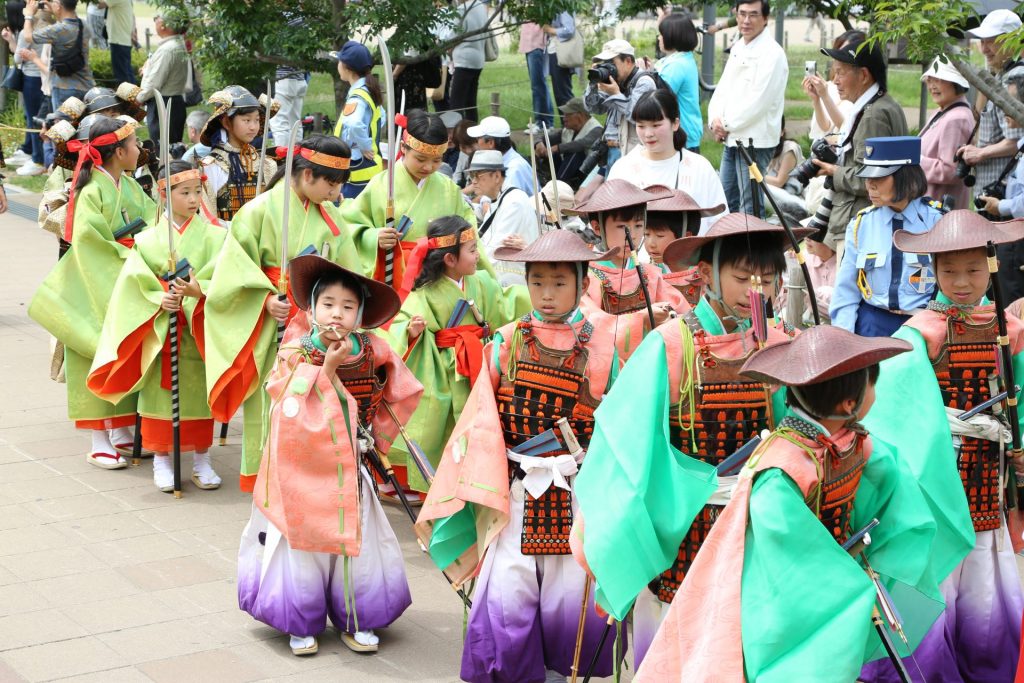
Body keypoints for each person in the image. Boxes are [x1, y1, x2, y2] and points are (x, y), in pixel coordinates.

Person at [633, 324, 970, 681]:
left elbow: (896, 502)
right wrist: (846, 578)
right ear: (849, 402)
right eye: (873, 384)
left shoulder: (853, 443)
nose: (876, 392)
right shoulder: (782, 469)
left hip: (837, 586)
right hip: (782, 604)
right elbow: (789, 559)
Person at [575, 214, 805, 669]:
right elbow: (627, 442)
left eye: (766, 278)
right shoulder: (671, 344)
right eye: (741, 277)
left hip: (753, 521)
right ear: (705, 275)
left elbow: (793, 432)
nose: (754, 290)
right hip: (682, 524)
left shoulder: (779, 343)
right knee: (673, 641)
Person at [415, 229, 624, 683]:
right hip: (517, 492)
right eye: (537, 282)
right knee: (509, 587)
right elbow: (481, 421)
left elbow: (624, 423)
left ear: (583, 282)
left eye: (559, 283)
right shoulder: (507, 341)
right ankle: (509, 671)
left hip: (579, 491)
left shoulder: (608, 343)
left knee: (574, 589)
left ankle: (568, 667)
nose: (547, 295)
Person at [859, 210, 1024, 682]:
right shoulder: (918, 333)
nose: (962, 282)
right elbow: (891, 407)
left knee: (985, 575)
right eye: (949, 271)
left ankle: (988, 664)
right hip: (936, 475)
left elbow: (1021, 399)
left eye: (973, 270)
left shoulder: (1008, 332)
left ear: (991, 267)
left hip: (990, 474)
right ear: (932, 271)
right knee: (938, 571)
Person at [237, 254, 420, 656]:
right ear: (313, 308)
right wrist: (325, 371)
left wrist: (377, 441)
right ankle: (300, 620)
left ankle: (358, 617)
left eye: (348, 306)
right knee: (302, 542)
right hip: (302, 467)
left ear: (361, 314)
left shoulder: (375, 348)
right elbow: (283, 400)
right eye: (329, 304)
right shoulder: (296, 351)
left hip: (354, 463)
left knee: (358, 542)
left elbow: (402, 393)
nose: (337, 314)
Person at [203, 135, 361, 493]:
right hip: (273, 315)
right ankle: (266, 476)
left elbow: (349, 270)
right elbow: (234, 268)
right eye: (331, 184)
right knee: (271, 394)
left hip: (316, 318)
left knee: (316, 391)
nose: (336, 194)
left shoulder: (332, 217)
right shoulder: (258, 211)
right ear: (306, 176)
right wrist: (263, 300)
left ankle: (310, 474)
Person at [86, 160, 225, 492]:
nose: (193, 200)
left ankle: (201, 459)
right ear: (164, 194)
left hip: (198, 328)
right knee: (161, 396)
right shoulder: (148, 240)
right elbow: (132, 284)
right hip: (161, 331)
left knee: (198, 394)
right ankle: (162, 459)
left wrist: (199, 291)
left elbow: (222, 275)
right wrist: (157, 298)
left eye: (197, 192)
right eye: (185, 193)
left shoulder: (216, 237)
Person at [28, 115, 157, 470]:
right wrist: (130, 257)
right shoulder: (90, 190)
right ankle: (98, 437)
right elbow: (88, 241)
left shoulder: (128, 185)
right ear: (118, 152)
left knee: (126, 352)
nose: (140, 150)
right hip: (93, 280)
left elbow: (153, 220)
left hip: (125, 271)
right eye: (134, 145)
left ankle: (121, 428)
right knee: (94, 352)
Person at [387, 216, 526, 496]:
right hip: (442, 365)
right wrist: (411, 331)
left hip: (479, 360)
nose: (478, 256)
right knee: (439, 423)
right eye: (472, 250)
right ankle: (439, 486)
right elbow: (399, 324)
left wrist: (534, 291)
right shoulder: (424, 293)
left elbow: (505, 307)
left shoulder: (483, 282)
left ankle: (474, 481)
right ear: (450, 259)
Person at [341, 109, 490, 288]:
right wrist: (374, 237)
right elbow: (350, 225)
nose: (428, 167)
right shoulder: (381, 185)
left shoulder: (447, 187)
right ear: (403, 148)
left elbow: (468, 229)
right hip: (395, 273)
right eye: (420, 159)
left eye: (436, 160)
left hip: (439, 275)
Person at [831, 137, 943, 336]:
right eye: (867, 177)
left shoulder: (938, 223)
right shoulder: (861, 225)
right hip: (872, 324)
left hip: (923, 326)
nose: (870, 185)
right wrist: (844, 339)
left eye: (879, 178)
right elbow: (846, 291)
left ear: (906, 178)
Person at [573, 180, 688, 360]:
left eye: (639, 225)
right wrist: (640, 319)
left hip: (649, 361)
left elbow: (682, 311)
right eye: (622, 227)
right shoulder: (588, 277)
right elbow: (591, 322)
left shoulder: (651, 273)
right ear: (597, 228)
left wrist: (669, 315)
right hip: (606, 366)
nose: (632, 234)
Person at [817, 37, 908, 258]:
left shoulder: (873, 115)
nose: (835, 80)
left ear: (864, 75)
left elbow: (870, 179)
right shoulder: (882, 105)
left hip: (861, 226)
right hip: (867, 223)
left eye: (840, 72)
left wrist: (833, 171)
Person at [707, 0, 788, 217]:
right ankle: (731, 250)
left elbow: (758, 101)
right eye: (742, 14)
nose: (746, 20)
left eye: (753, 15)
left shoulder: (772, 54)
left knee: (749, 207)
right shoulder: (739, 47)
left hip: (754, 140)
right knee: (725, 201)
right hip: (731, 137)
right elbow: (722, 89)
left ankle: (753, 251)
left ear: (765, 18)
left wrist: (725, 124)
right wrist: (714, 120)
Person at [607, 89, 727, 233]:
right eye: (641, 126)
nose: (648, 134)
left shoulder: (699, 168)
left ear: (675, 123)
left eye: (656, 125)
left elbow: (720, 223)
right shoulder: (623, 168)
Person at [958, 10, 1024, 198]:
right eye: (982, 41)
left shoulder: (1015, 80)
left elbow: (1018, 142)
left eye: (992, 41)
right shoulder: (1001, 76)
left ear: (1013, 41)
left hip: (1005, 194)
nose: (984, 49)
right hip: (993, 191)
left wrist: (981, 153)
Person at [198, 85, 278, 223]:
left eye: (257, 120)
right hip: (226, 240)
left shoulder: (267, 164)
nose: (253, 127)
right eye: (247, 120)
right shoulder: (211, 165)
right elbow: (208, 219)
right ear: (227, 122)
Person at [976, 75, 1024, 302]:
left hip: (1018, 244)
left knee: (1012, 312)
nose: (1003, 107)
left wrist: (1001, 206)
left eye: (1010, 101)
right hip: (1013, 240)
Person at [466, 149, 539, 286]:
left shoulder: (514, 201)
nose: (473, 182)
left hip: (517, 280)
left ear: (497, 176)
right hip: (504, 274)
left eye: (478, 175)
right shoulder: (501, 198)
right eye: (471, 175)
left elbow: (495, 248)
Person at [643, 186, 725, 306]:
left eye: (660, 236)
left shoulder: (706, 273)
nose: (651, 243)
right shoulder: (645, 273)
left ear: (686, 237)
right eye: (646, 234)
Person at [583, 38, 657, 171]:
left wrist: (615, 94)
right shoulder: (616, 82)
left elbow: (637, 115)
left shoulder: (644, 82)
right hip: (611, 150)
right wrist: (593, 84)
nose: (607, 68)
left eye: (611, 63)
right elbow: (594, 108)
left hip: (631, 153)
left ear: (628, 61)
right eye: (604, 63)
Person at [919, 57, 975, 212]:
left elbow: (951, 171)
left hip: (940, 211)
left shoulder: (956, 118)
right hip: (931, 207)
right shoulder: (943, 111)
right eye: (930, 80)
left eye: (939, 80)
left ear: (955, 83)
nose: (932, 86)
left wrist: (915, 160)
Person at [331, 41, 384, 198]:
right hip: (368, 168)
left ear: (347, 67)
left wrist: (364, 145)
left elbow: (353, 123)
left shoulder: (358, 96)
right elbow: (382, 117)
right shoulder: (368, 90)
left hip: (358, 169)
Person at [22, 0, 95, 110]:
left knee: (63, 126)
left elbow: (28, 36)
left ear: (59, 6)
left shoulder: (58, 30)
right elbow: (67, 22)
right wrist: (56, 11)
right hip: (86, 85)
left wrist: (28, 15)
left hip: (64, 88)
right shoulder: (83, 25)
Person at [137, 11, 189, 148]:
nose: (155, 21)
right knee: (172, 147)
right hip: (175, 103)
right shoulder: (178, 44)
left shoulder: (167, 50)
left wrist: (138, 99)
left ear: (164, 25)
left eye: (157, 19)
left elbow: (153, 84)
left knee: (162, 150)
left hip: (163, 105)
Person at [655, 13, 702, 154]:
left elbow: (657, 95)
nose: (659, 38)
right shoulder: (679, 59)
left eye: (662, 34)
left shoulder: (677, 65)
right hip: (684, 133)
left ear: (671, 36)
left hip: (682, 136)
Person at [534, 97, 604, 188]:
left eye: (567, 115)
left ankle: (559, 185)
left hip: (588, 175)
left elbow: (580, 144)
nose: (564, 118)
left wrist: (556, 148)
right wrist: (539, 143)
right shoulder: (568, 130)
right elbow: (543, 138)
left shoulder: (596, 129)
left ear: (580, 115)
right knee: (554, 151)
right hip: (571, 172)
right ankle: (549, 181)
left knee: (575, 152)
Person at [466, 115, 533, 192]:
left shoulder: (512, 171)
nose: (477, 143)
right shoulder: (506, 162)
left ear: (491, 143)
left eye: (478, 139)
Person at [447, 0, 487, 123]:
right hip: (478, 58)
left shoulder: (462, 10)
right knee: (470, 102)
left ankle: (457, 137)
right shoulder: (480, 6)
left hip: (464, 59)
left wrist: (447, 49)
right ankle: (472, 132)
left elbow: (453, 37)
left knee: (456, 104)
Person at [519, 21, 553, 129]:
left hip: (536, 44)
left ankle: (542, 122)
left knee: (538, 85)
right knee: (540, 84)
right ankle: (546, 121)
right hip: (530, 44)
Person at [544, 12, 577, 121]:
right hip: (555, 51)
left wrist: (551, 30)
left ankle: (572, 126)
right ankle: (567, 126)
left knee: (563, 95)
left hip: (561, 52)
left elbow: (569, 29)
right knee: (559, 94)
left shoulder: (563, 6)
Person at [97, 0, 133, 84]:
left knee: (122, 78)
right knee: (127, 74)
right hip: (122, 41)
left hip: (118, 41)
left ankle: (128, 96)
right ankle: (134, 96)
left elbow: (99, 5)